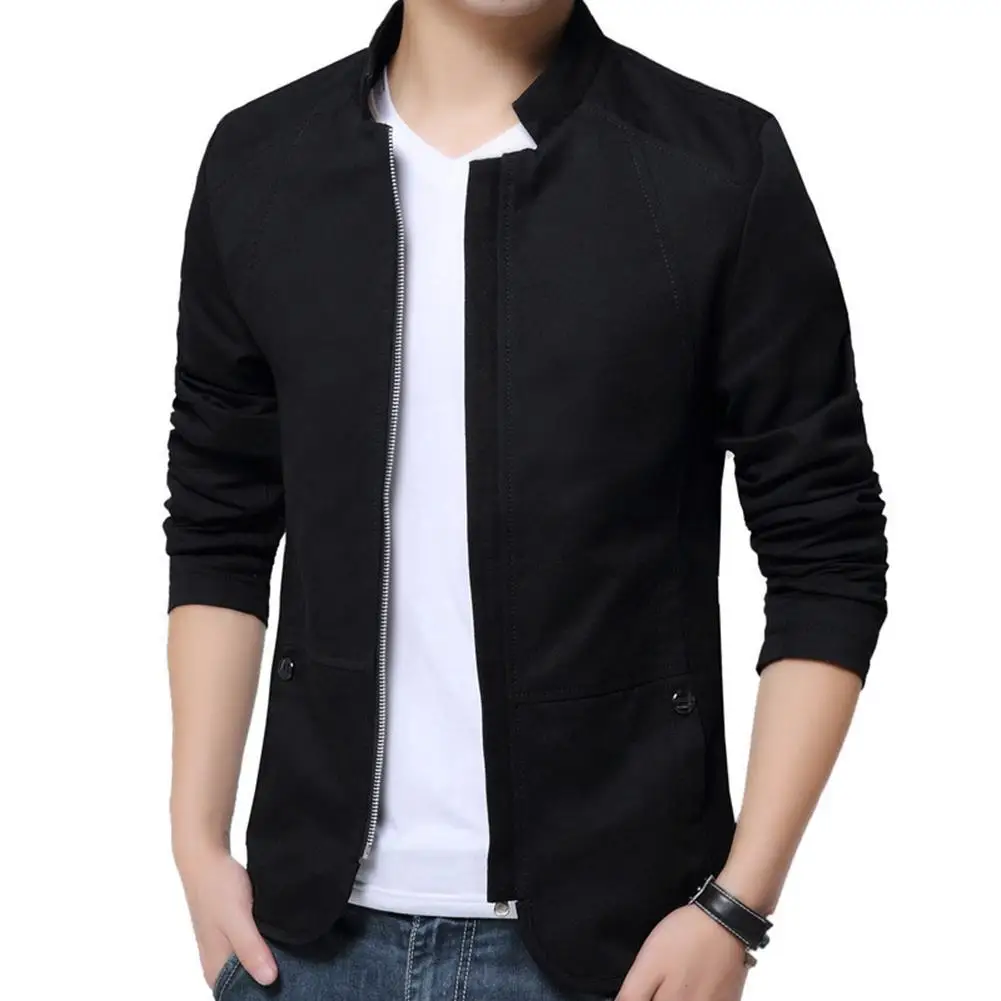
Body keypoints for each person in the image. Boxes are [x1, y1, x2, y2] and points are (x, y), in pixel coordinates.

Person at [163, 1, 888, 998]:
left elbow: (826, 551)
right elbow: (219, 522)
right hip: (300, 939)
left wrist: (734, 905)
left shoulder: (714, 166)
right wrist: (195, 839)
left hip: (614, 952)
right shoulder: (261, 162)